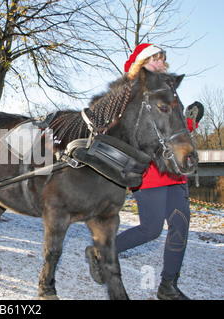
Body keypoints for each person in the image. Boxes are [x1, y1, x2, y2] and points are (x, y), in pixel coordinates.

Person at [85, 43, 203, 300]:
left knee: (180, 224)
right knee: (151, 229)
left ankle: (168, 286)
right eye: (155, 59)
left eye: (162, 60)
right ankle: (99, 251)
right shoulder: (128, 92)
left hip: (173, 166)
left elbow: (172, 123)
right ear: (142, 64)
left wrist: (191, 121)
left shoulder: (166, 89)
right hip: (149, 169)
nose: (161, 64)